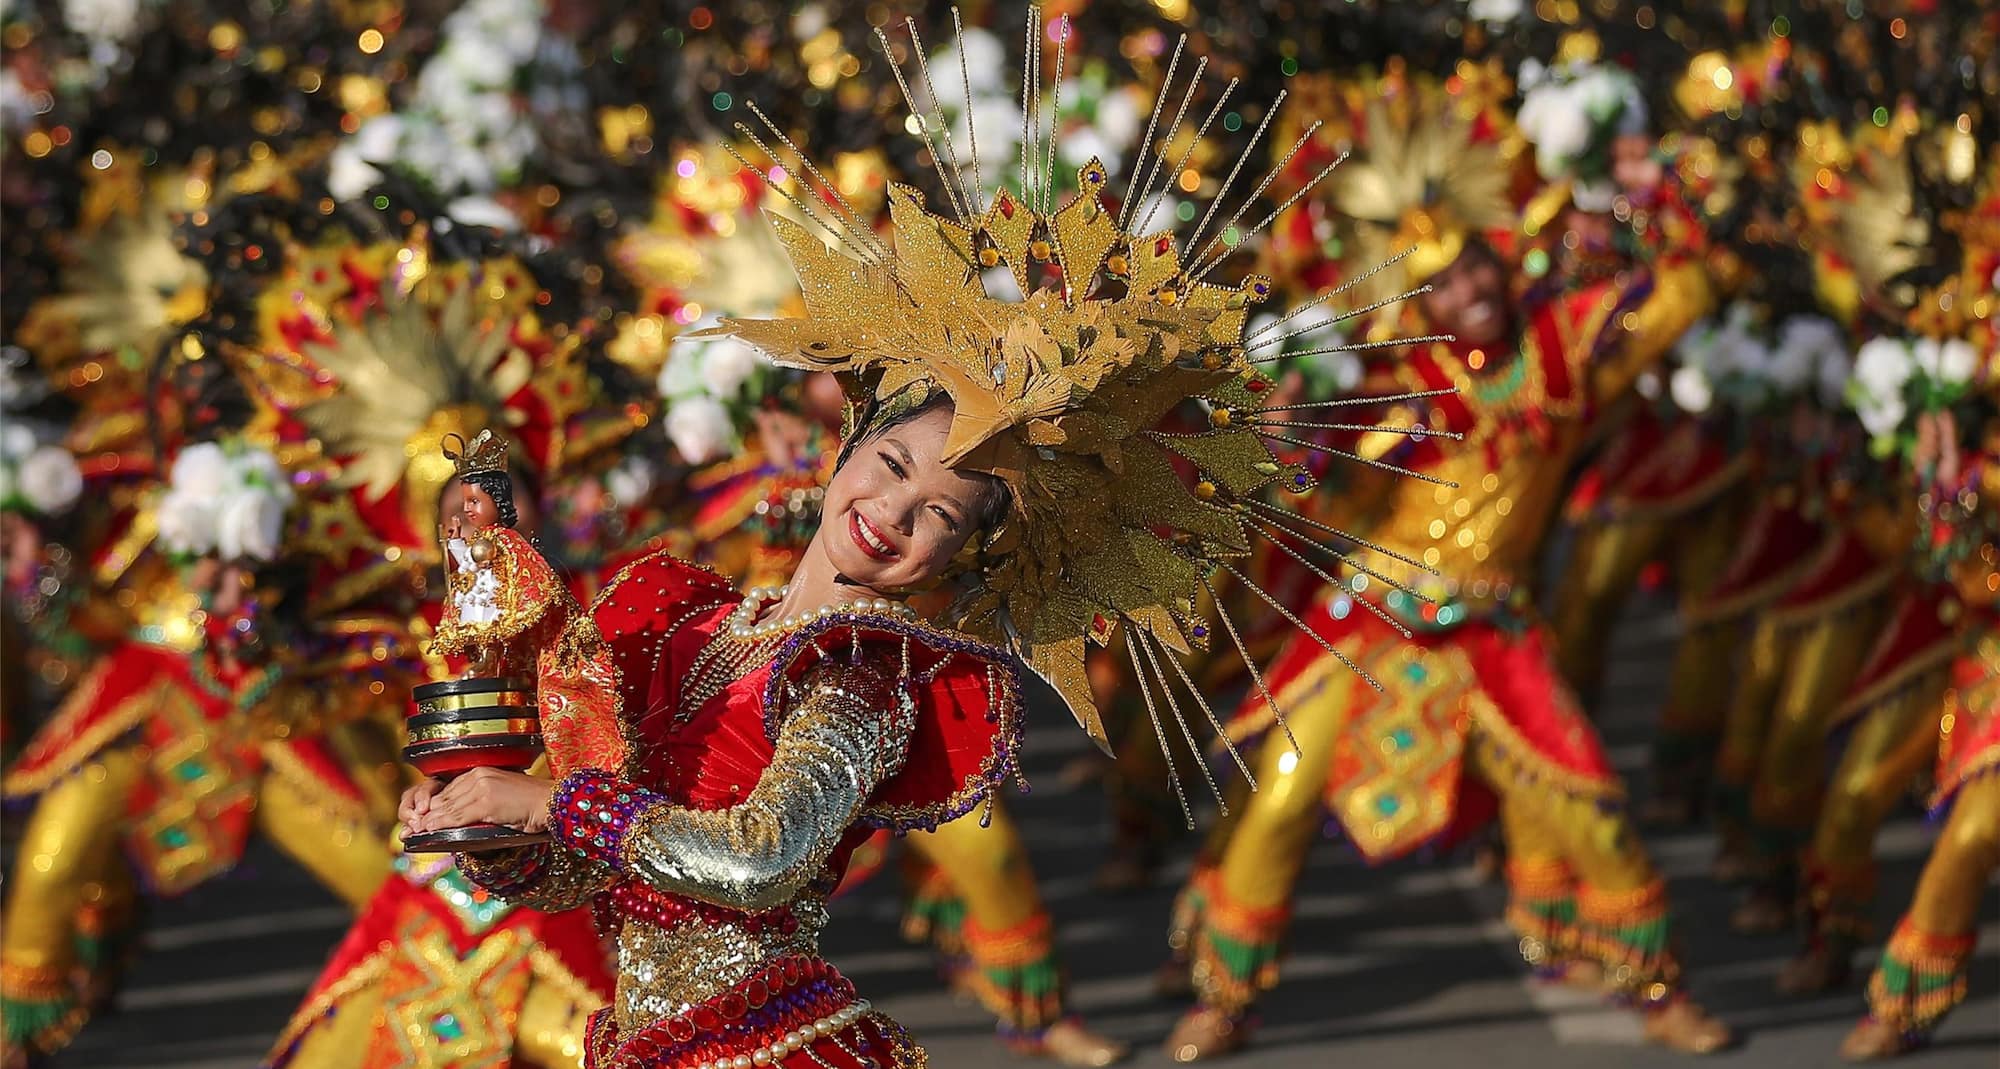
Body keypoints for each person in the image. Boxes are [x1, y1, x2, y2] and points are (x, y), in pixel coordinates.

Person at [391, 15, 1431, 1065]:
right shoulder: (703, 626)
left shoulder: (855, 678)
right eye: (893, 469)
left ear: (957, 557)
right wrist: (489, 832)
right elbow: (599, 871)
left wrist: (555, 798)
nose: (890, 514)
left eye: (936, 513)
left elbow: (761, 861)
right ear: (849, 445)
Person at [1161, 88, 1734, 1059]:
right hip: (1370, 622)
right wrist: (1285, 419)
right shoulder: (1394, 379)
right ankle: (1224, 989)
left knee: (1587, 804)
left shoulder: (1559, 352)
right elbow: (1303, 475)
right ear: (1419, 302)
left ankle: (1652, 982)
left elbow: (1678, 297)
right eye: (1444, 281)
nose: (1467, 287)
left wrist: (1656, 203)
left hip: (1492, 632)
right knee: (1282, 798)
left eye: (1474, 265)